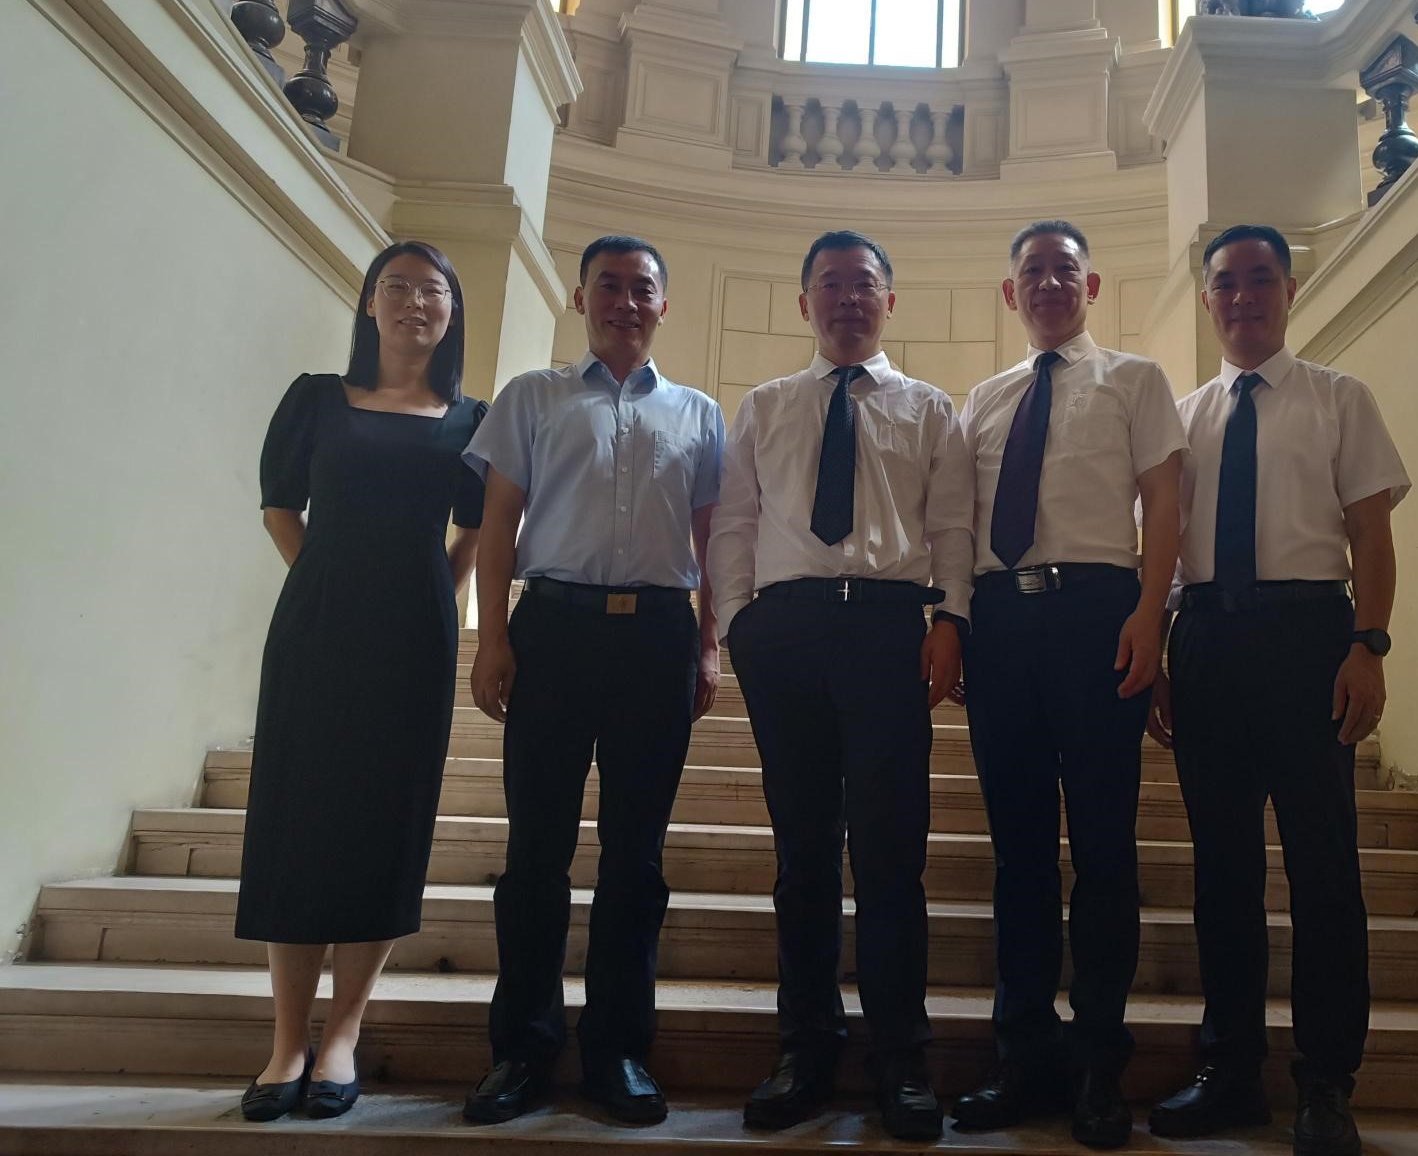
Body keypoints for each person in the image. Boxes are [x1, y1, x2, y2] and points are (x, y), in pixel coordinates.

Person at [1146, 224, 1409, 1156]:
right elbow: (1168, 552)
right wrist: (1169, 657)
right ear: (1209, 298)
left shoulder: (1340, 398)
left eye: (1262, 280)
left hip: (1309, 640)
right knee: (1223, 875)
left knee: (1324, 873)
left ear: (1289, 292)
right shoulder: (1180, 419)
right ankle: (1229, 1072)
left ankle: (1327, 1084)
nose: (1243, 296)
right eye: (1226, 282)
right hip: (1209, 640)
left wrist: (1368, 645)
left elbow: (1372, 539)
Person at [708, 230, 972, 1141]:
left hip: (889, 631)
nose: (848, 299)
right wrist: (740, 624)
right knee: (805, 852)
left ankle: (901, 1059)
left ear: (889, 301)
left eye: (864, 285)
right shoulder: (766, 406)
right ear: (804, 302)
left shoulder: (931, 408)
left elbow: (952, 527)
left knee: (894, 855)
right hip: (785, 631)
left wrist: (950, 621)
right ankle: (807, 1048)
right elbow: (734, 521)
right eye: (830, 285)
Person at [459, 235, 725, 1126]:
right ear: (580, 299)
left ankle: (617, 1050)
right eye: (607, 285)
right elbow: (499, 523)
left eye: (642, 287)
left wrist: (710, 646)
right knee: (536, 853)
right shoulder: (532, 397)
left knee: (636, 859)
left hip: (656, 639)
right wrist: (491, 636)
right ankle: (523, 1049)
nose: (625, 300)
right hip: (554, 633)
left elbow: (712, 542)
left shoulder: (698, 412)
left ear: (663, 304)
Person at [235, 240, 487, 1122]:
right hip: (315, 632)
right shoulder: (316, 398)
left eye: (433, 290)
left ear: (453, 311)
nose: (415, 301)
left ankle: (342, 1034)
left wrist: (432, 590)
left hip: (413, 639)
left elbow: (482, 529)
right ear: (370, 305)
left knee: (387, 822)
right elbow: (278, 501)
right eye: (398, 287)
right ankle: (284, 1043)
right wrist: (325, 576)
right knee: (297, 819)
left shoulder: (470, 419)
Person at [952, 219, 1185, 1150]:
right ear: (1011, 293)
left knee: (1103, 850)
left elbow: (1165, 502)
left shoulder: (1134, 380)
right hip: (1003, 622)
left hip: (1100, 614)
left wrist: (1150, 616)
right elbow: (963, 520)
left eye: (1065, 269)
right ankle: (1024, 1059)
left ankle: (1098, 1065)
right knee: (1017, 856)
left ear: (1092, 285)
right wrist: (960, 621)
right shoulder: (983, 398)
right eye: (1032, 271)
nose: (1049, 283)